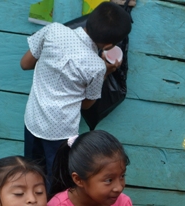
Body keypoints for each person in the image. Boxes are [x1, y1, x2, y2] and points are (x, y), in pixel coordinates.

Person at [20, 2, 131, 180]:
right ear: (109, 45)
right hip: (61, 133)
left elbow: (25, 64)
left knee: (32, 173)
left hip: (33, 120)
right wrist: (105, 72)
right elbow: (86, 105)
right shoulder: (96, 67)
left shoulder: (53, 30)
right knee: (56, 180)